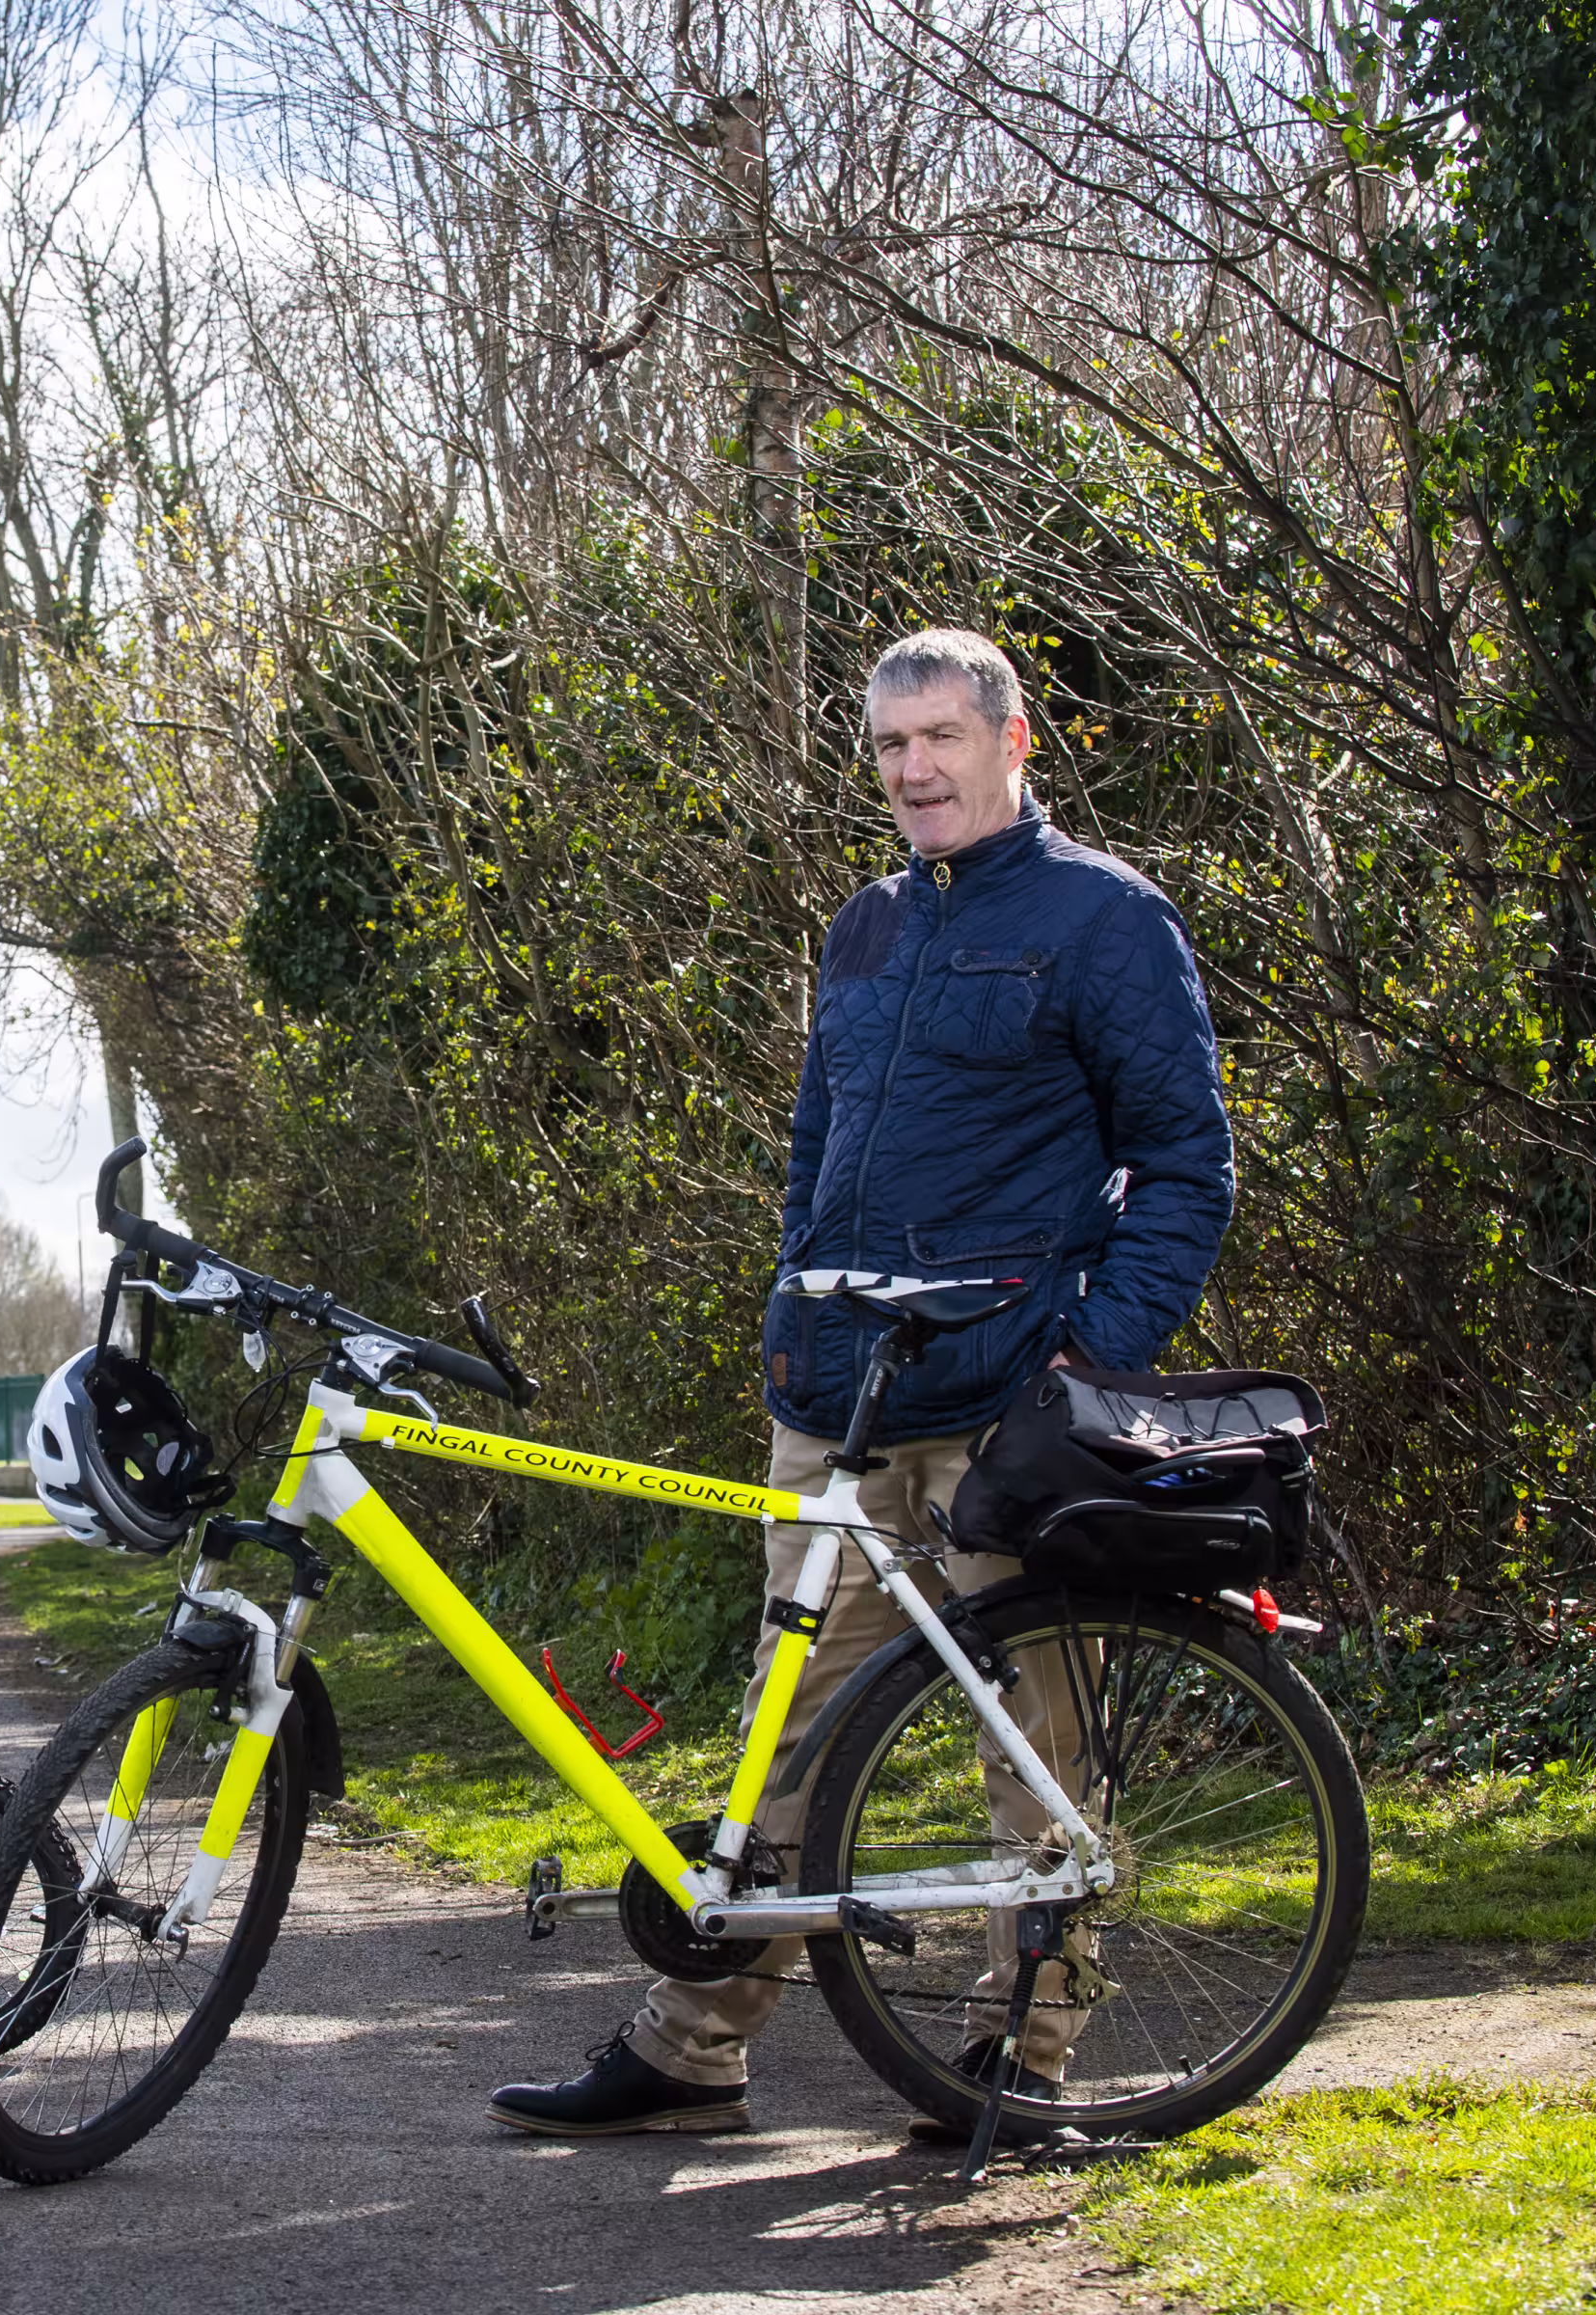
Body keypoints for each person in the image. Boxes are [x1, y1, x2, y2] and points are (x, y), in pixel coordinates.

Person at [489, 628, 1236, 2138]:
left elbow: (1188, 1165)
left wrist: (1091, 1352)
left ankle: (1019, 2052)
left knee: (1034, 1743)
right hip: (836, 1404)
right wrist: (790, 1303)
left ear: (1015, 745)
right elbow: (814, 1149)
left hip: (1004, 1405)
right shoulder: (864, 927)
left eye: (943, 739)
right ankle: (697, 2040)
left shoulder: (1107, 921)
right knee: (785, 1730)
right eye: (892, 746)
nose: (913, 771)